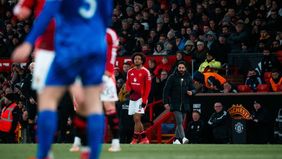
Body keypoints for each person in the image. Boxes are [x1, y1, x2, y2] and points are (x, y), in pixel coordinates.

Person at [11, 1, 113, 159]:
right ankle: (92, 155)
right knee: (93, 102)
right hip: (96, 47)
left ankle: (44, 154)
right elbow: (106, 17)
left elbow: (47, 14)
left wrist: (28, 43)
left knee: (48, 99)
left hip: (69, 47)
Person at [69, 28, 121, 153]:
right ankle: (77, 142)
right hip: (85, 76)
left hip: (104, 76)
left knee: (109, 109)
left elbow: (112, 55)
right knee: (82, 109)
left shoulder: (109, 33)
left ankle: (116, 142)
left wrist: (107, 74)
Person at [163, 61, 196, 144]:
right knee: (180, 121)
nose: (181, 69)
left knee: (179, 122)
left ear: (185, 68)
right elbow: (166, 91)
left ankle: (176, 139)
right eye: (179, 68)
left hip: (185, 104)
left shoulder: (188, 77)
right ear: (177, 68)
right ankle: (184, 138)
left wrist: (192, 92)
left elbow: (194, 89)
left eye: (182, 68)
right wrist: (166, 102)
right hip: (175, 103)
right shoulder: (172, 77)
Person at [126, 52, 151, 144]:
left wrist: (144, 100)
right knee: (136, 120)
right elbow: (128, 83)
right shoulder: (130, 71)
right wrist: (130, 90)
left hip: (141, 98)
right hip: (133, 98)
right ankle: (145, 138)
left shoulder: (146, 72)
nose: (137, 60)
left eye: (139, 59)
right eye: (135, 58)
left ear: (142, 60)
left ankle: (135, 138)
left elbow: (148, 88)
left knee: (137, 118)